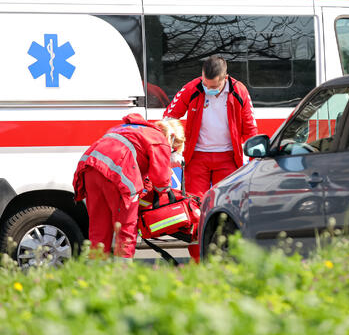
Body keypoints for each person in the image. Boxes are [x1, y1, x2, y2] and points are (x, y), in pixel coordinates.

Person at [73, 113, 184, 261]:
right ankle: (122, 273)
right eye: (175, 150)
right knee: (125, 228)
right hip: (119, 174)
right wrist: (167, 173)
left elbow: (139, 167)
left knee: (98, 228)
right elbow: (161, 181)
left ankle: (96, 273)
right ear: (172, 139)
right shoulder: (159, 140)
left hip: (91, 169)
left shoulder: (128, 128)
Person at [163, 55, 258, 197]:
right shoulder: (192, 88)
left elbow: (251, 129)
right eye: (205, 84)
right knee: (194, 203)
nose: (207, 88)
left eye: (213, 86)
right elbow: (169, 118)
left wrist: (254, 162)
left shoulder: (239, 91)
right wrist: (172, 150)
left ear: (225, 79)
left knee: (226, 202)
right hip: (196, 157)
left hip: (228, 157)